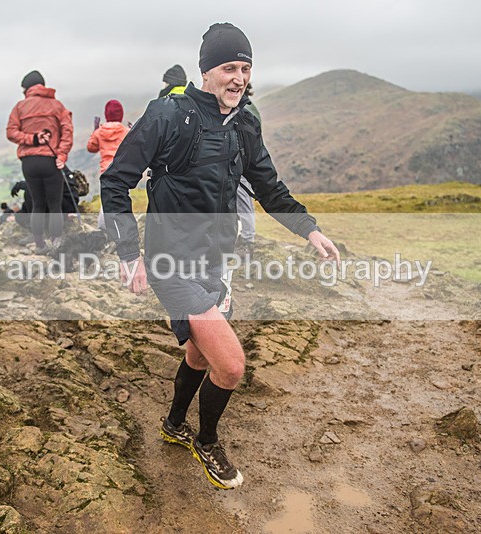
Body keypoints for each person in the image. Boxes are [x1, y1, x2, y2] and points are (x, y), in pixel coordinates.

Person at [102, 23, 339, 490]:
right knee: (230, 366)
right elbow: (115, 181)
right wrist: (130, 253)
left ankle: (174, 424)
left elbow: (269, 186)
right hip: (171, 263)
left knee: (198, 353)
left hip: (216, 261)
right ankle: (206, 440)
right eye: (229, 67)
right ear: (206, 71)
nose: (239, 78)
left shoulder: (245, 123)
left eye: (246, 68)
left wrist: (308, 229)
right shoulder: (169, 115)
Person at [6, 70, 74, 252]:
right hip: (51, 160)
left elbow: (11, 132)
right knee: (54, 205)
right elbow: (67, 131)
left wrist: (32, 139)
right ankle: (56, 245)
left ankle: (39, 245)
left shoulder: (20, 107)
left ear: (27, 88)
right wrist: (62, 155)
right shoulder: (57, 105)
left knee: (37, 204)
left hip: (29, 162)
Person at [88, 100, 130, 230]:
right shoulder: (126, 131)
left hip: (105, 171)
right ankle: (121, 228)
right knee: (121, 198)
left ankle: (103, 227)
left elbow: (91, 148)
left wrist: (95, 131)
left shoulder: (99, 132)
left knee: (105, 200)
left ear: (106, 115)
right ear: (121, 115)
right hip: (122, 171)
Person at [235, 83, 260, 256]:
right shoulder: (250, 107)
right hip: (244, 162)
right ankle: (244, 238)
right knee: (241, 203)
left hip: (242, 165)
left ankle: (247, 241)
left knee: (244, 203)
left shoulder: (246, 110)